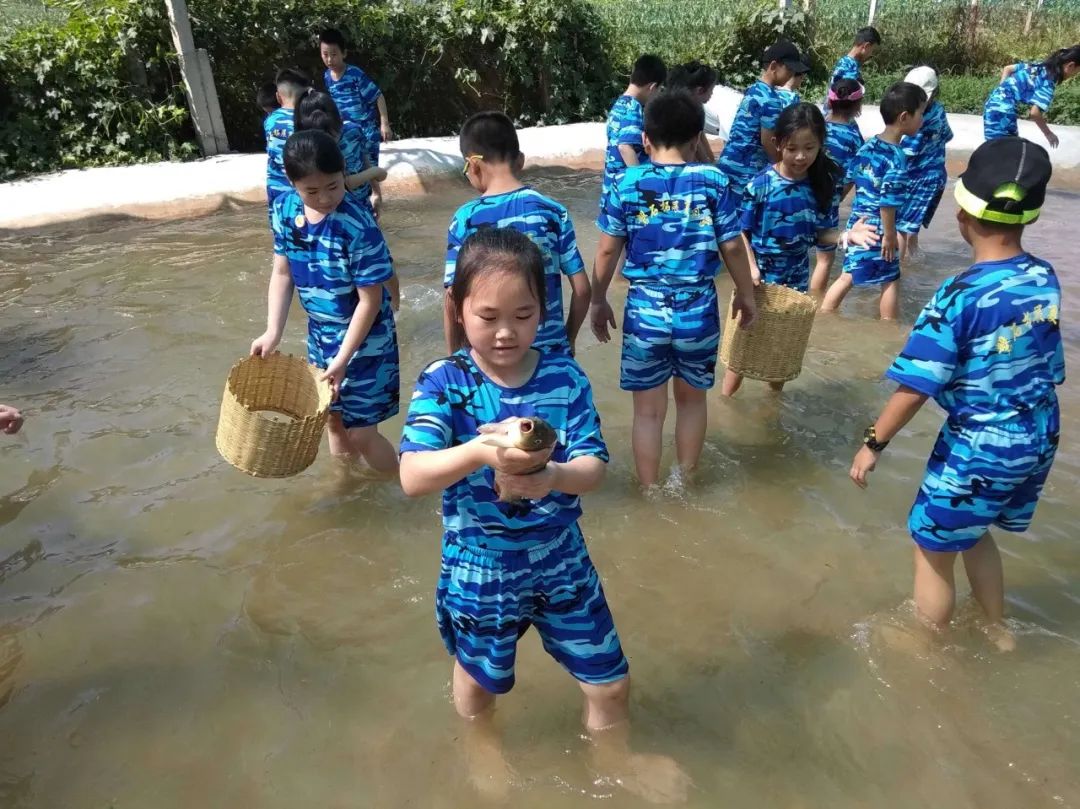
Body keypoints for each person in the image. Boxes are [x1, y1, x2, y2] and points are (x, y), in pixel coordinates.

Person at [400, 227, 689, 803]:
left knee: (610, 680)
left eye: (524, 314)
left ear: (545, 311)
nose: (506, 331)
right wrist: (484, 451)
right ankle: (483, 756)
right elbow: (413, 476)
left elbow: (595, 467)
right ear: (457, 309)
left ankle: (615, 761)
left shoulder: (563, 378)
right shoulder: (446, 383)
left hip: (562, 559)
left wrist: (550, 476)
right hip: (481, 568)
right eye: (488, 316)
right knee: (479, 683)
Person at [850, 137, 1061, 653]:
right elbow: (1051, 368)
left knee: (931, 545)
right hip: (1037, 434)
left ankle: (929, 652)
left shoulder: (959, 295)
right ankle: (999, 630)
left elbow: (917, 385)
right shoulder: (1044, 277)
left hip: (981, 445)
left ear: (962, 215)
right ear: (1028, 218)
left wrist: (872, 443)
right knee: (975, 528)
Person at [592, 90, 757, 489]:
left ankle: (649, 489)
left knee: (648, 412)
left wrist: (597, 300)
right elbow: (733, 245)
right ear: (697, 137)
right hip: (697, 310)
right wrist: (747, 295)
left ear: (645, 139)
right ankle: (682, 482)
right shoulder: (714, 181)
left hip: (645, 312)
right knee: (691, 402)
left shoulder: (627, 183)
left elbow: (608, 247)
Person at [250, 130, 399, 471]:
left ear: (343, 171)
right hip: (322, 338)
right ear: (292, 182)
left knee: (361, 432)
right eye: (311, 191)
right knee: (331, 419)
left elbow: (370, 300)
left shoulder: (358, 224)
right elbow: (283, 272)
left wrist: (345, 358)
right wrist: (273, 331)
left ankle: (400, 488)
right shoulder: (284, 209)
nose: (325, 198)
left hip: (367, 342)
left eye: (333, 186)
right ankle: (346, 486)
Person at [725, 103, 878, 396]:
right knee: (743, 348)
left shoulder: (819, 186)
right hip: (759, 278)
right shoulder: (761, 185)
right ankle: (727, 402)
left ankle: (773, 406)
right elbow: (739, 232)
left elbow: (820, 232)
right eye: (793, 147)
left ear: (821, 144)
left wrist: (847, 235)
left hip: (795, 280)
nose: (800, 156)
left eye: (809, 148)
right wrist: (751, 268)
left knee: (783, 349)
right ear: (778, 143)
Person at [445, 111, 590, 356]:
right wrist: (567, 339)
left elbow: (452, 299)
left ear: (473, 165)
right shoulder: (554, 212)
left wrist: (455, 359)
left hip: (490, 355)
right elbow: (583, 289)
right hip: (550, 354)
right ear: (520, 161)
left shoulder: (464, 220)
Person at [821, 81, 926, 320]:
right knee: (891, 279)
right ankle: (888, 327)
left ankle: (823, 315)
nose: (922, 119)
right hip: (880, 229)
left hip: (858, 224)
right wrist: (889, 237)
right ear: (904, 117)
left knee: (848, 275)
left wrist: (833, 205)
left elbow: (850, 180)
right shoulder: (896, 157)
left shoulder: (868, 146)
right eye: (921, 113)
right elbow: (887, 202)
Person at [292, 90, 399, 310]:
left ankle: (395, 307)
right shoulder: (307, 150)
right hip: (329, 214)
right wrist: (376, 173)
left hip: (360, 208)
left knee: (381, 261)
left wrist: (376, 192)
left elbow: (364, 161)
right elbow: (344, 182)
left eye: (334, 133)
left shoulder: (352, 132)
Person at [717, 41, 808, 207]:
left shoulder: (754, 89)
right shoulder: (771, 99)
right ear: (774, 66)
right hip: (747, 171)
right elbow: (768, 141)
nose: (791, 75)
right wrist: (782, 170)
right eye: (789, 69)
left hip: (728, 163)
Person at [319, 27, 392, 213]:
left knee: (369, 168)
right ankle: (358, 206)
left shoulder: (355, 75)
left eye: (334, 54)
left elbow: (377, 96)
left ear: (344, 53)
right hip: (345, 133)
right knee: (352, 169)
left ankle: (376, 198)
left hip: (366, 131)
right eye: (325, 54)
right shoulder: (327, 77)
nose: (329, 59)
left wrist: (384, 123)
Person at [811, 78, 865, 293]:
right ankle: (814, 305)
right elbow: (854, 173)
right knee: (824, 261)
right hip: (829, 200)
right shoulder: (854, 137)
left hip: (805, 194)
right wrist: (840, 195)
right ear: (858, 106)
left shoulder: (817, 127)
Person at [898, 66, 954, 261]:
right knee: (913, 221)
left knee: (902, 227)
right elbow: (948, 136)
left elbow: (906, 152)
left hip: (918, 180)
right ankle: (914, 253)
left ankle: (898, 269)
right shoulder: (939, 110)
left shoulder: (918, 120)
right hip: (937, 176)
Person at [600, 54, 667, 215]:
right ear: (652, 87)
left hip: (612, 188)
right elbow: (625, 147)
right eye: (659, 90)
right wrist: (641, 184)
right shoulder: (633, 108)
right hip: (626, 191)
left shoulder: (619, 105)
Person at [984, 45, 1080, 147]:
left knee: (995, 148)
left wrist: (1001, 91)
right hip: (1003, 111)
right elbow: (1035, 113)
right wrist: (1048, 133)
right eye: (1077, 71)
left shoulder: (1038, 65)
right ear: (1071, 66)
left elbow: (1008, 69)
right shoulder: (1048, 82)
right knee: (1005, 152)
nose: (1074, 75)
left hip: (992, 104)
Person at [264, 68, 311, 220]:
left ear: (278, 97)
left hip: (277, 192)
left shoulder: (270, 121)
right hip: (305, 192)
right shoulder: (308, 121)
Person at [667, 60, 719, 162]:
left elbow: (700, 135)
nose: (712, 94)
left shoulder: (694, 107)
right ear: (699, 90)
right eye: (711, 90)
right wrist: (709, 167)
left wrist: (712, 161)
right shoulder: (686, 112)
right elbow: (697, 145)